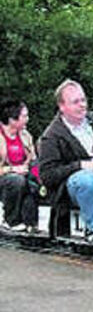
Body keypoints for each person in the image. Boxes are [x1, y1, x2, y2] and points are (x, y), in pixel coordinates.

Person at [40, 79, 93, 246]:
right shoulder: (51, 136)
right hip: (77, 187)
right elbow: (47, 176)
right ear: (62, 106)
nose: (82, 105)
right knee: (86, 179)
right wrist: (81, 165)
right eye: (76, 102)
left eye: (83, 100)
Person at [0, 99, 38, 233]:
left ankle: (31, 222)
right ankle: (10, 220)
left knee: (34, 183)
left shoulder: (26, 135)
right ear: (12, 119)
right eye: (24, 116)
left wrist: (40, 176)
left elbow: (33, 160)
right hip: (5, 177)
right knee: (16, 180)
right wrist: (13, 169)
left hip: (23, 174)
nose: (28, 119)